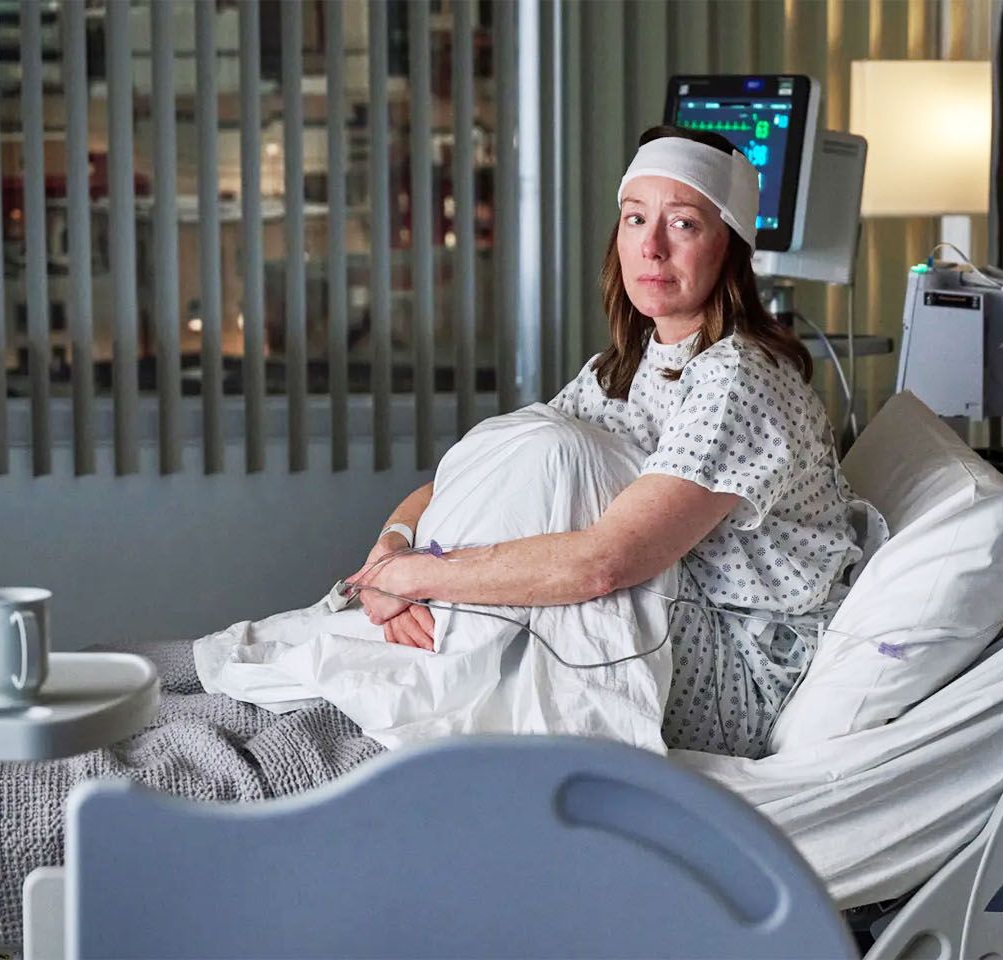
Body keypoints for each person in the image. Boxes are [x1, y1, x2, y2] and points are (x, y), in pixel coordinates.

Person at [350, 125, 863, 759]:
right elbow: (474, 480)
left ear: (728, 246)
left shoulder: (740, 379)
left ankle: (399, 703)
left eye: (682, 224)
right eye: (634, 219)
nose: (650, 247)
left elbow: (606, 563)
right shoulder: (621, 367)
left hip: (735, 676)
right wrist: (389, 554)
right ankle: (401, 672)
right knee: (532, 450)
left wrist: (419, 579)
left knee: (555, 464)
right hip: (661, 614)